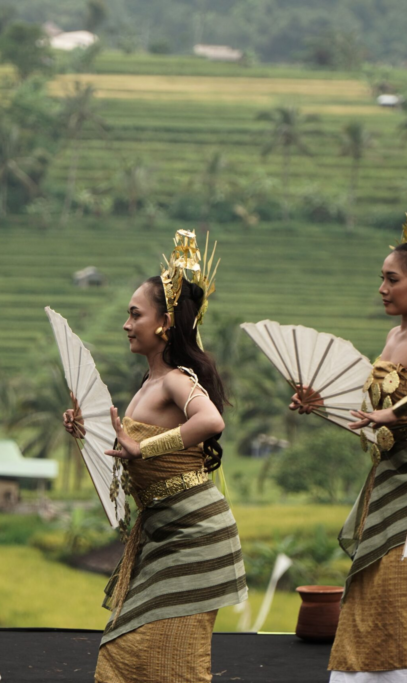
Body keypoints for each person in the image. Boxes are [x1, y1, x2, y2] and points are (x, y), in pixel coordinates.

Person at [290, 183, 407, 682]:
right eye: (382, 279)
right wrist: (321, 404)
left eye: (392, 279)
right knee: (374, 587)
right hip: (389, 473)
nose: (383, 288)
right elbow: (374, 413)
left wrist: (398, 414)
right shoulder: (394, 335)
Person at [64, 230, 246, 683]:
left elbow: (210, 422)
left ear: (164, 322)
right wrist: (85, 434)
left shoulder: (175, 380)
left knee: (157, 656)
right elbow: (126, 462)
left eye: (134, 314)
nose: (126, 324)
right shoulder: (146, 387)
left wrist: (144, 447)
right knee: (132, 654)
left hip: (196, 533)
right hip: (164, 533)